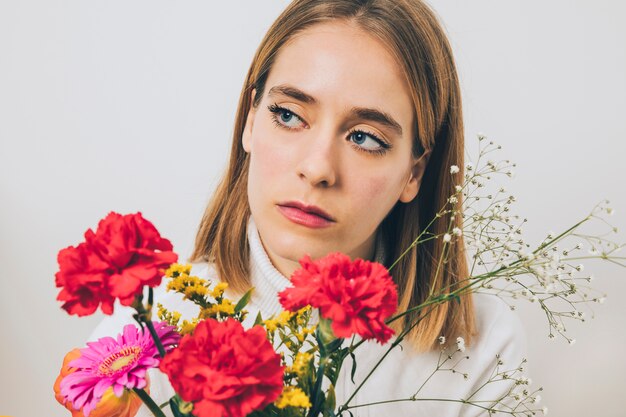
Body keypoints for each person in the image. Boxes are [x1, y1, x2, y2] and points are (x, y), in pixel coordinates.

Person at [91, 1, 527, 416]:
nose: (318, 169)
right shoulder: (140, 341)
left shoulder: (483, 347)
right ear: (250, 118)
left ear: (414, 172)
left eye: (364, 138)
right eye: (289, 115)